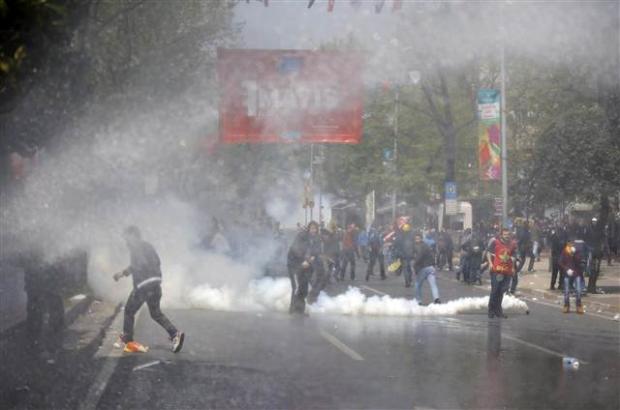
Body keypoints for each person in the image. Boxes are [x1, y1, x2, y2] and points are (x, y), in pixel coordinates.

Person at [113, 226, 184, 353]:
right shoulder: (148, 246)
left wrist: (125, 273)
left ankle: (127, 340)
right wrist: (123, 273)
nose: (126, 241)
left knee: (129, 310)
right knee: (155, 313)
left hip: (144, 286)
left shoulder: (137, 247)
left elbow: (139, 264)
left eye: (127, 237)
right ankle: (175, 334)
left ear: (134, 236)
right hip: (156, 284)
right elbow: (156, 262)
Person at [20, 245, 65, 356]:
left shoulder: (32, 242)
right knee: (39, 314)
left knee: (40, 314)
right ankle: (47, 345)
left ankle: (44, 345)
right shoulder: (39, 243)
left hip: (43, 283)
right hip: (42, 283)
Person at [287, 221, 322, 313]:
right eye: (312, 228)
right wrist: (303, 260)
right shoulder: (302, 236)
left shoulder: (317, 238)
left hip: (307, 265)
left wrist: (314, 256)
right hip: (295, 264)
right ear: (308, 228)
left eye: (315, 228)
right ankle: (292, 309)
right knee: (296, 287)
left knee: (304, 287)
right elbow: (296, 249)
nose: (313, 230)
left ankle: (300, 310)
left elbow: (318, 250)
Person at [486, 227, 517, 319]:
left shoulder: (512, 244)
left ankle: (498, 311)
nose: (507, 236)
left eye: (508, 235)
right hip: (496, 270)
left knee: (502, 291)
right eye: (505, 235)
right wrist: (490, 264)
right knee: (495, 290)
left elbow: (514, 256)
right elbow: (488, 253)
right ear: (501, 235)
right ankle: (491, 311)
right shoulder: (495, 242)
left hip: (507, 271)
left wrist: (513, 267)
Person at [559, 239, 588, 314]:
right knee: (567, 291)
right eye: (569, 243)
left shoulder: (577, 251)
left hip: (576, 273)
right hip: (567, 273)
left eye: (572, 243)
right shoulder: (564, 251)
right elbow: (561, 262)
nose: (570, 244)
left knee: (578, 290)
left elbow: (579, 261)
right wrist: (567, 269)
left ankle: (579, 306)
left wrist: (574, 253)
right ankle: (566, 305)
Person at [413, 232, 441, 304]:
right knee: (433, 284)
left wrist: (415, 265)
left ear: (421, 239)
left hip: (424, 268)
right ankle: (436, 298)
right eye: (416, 239)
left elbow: (419, 257)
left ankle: (418, 301)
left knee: (417, 284)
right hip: (431, 267)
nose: (416, 240)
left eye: (417, 239)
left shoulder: (419, 246)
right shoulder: (426, 245)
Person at [393, 222, 415, 287]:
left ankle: (407, 281)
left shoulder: (399, 236)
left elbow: (395, 245)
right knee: (408, 268)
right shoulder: (411, 236)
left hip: (403, 255)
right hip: (409, 254)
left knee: (405, 268)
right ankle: (409, 280)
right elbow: (414, 245)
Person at [549, 225, 567, 290]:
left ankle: (553, 285)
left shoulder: (554, 236)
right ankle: (559, 285)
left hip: (557, 257)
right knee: (560, 272)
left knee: (556, 272)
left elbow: (552, 247)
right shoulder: (560, 238)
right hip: (559, 256)